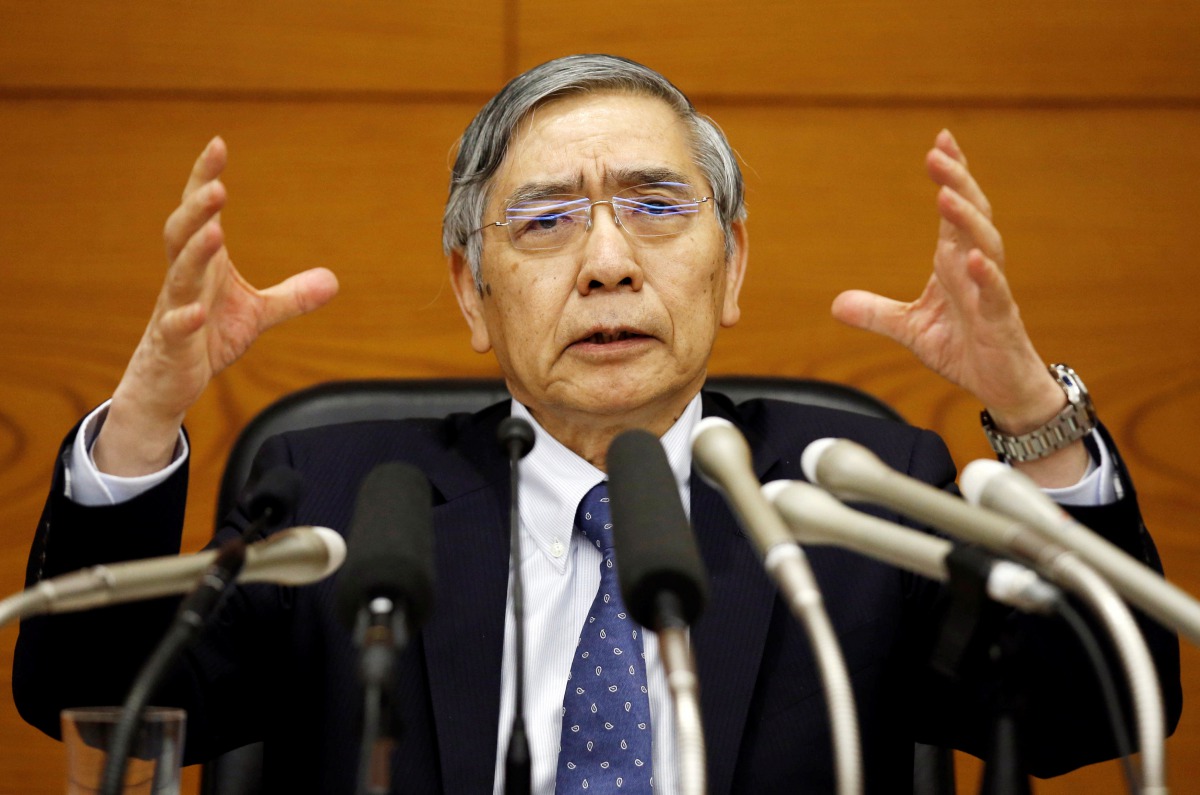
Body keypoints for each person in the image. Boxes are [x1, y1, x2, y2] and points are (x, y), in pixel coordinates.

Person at [13, 54, 1180, 793]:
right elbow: (100, 698)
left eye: (658, 209)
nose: (610, 264)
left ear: (731, 274)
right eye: (548, 223)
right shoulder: (344, 497)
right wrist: (149, 415)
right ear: (472, 292)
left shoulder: (848, 497)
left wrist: (1032, 412)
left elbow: (1105, 708)